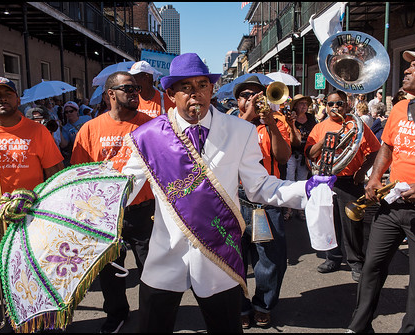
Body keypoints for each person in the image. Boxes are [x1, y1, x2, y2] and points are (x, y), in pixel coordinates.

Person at [117, 53, 332, 333]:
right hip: (165, 255)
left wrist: (303, 190)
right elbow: (123, 188)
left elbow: (259, 186)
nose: (196, 94)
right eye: (186, 87)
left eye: (203, 85)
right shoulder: (148, 137)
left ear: (212, 88)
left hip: (218, 257)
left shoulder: (240, 131)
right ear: (170, 94)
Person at [347, 47, 415, 333]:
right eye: (409, 66)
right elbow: (387, 146)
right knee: (370, 269)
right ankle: (359, 327)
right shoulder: (402, 107)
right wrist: (375, 176)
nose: (407, 70)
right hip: (392, 207)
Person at [0, 77, 64, 299]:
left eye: (7, 95)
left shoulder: (38, 131)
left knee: (35, 262)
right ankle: (3, 294)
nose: (2, 100)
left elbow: (54, 170)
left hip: (34, 213)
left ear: (17, 99)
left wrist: (50, 202)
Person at [70, 71, 155, 333]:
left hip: (145, 211)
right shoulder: (90, 129)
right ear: (110, 94)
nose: (134, 93)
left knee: (152, 268)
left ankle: (153, 316)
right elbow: (78, 175)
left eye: (137, 89)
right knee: (109, 270)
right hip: (105, 214)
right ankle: (117, 314)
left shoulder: (153, 125)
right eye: (128, 88)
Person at [233, 75, 292, 328]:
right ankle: (240, 306)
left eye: (258, 94)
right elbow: (222, 153)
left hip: (267, 199)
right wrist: (246, 118)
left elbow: (284, 156)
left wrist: (271, 125)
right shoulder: (228, 124)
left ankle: (263, 305)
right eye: (247, 95)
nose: (253, 99)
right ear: (237, 101)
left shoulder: (275, 122)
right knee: (234, 258)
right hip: (235, 198)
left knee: (270, 259)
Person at [305, 90, 381, 282]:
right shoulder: (320, 127)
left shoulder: (356, 125)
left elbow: (375, 150)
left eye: (339, 104)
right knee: (329, 222)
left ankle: (356, 262)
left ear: (346, 105)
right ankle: (333, 258)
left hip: (349, 181)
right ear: (326, 106)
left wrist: (362, 171)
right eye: (331, 104)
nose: (335, 108)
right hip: (326, 181)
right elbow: (310, 153)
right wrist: (325, 140)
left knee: (352, 224)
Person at [284, 94, 315, 221]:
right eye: (301, 103)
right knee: (290, 181)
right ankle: (289, 208)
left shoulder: (311, 118)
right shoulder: (290, 118)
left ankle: (300, 209)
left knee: (303, 182)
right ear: (295, 105)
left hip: (305, 155)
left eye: (305, 104)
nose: (304, 106)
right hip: (292, 154)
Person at [60, 101, 91, 166]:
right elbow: (64, 144)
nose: (69, 113)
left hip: (92, 148)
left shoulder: (87, 118)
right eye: (66, 112)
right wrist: (58, 129)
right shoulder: (65, 128)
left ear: (77, 111)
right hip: (79, 153)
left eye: (71, 111)